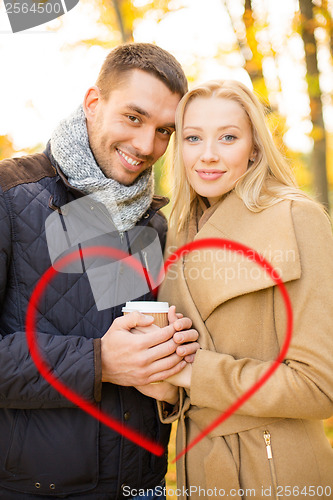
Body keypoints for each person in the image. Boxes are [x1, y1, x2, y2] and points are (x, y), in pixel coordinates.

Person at [0, 42, 200, 499]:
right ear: (94, 103)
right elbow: (109, 356)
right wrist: (99, 361)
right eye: (134, 117)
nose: (147, 146)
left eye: (165, 131)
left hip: (143, 486)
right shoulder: (10, 197)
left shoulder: (152, 222)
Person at [158, 80, 333, 499]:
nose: (208, 154)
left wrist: (191, 373)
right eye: (193, 138)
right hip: (198, 464)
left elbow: (321, 386)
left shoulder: (296, 219)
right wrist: (165, 383)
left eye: (229, 137)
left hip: (275, 468)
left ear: (254, 147)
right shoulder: (173, 231)